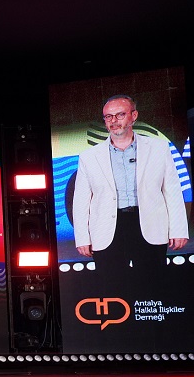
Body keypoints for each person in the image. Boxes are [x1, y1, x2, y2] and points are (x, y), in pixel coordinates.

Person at [72, 95, 188, 281]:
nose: (113, 121)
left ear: (134, 116)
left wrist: (178, 230)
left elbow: (172, 191)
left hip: (149, 224)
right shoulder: (89, 157)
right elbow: (81, 202)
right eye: (108, 117)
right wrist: (83, 238)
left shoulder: (159, 148)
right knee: (112, 286)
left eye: (120, 115)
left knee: (152, 283)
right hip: (107, 229)